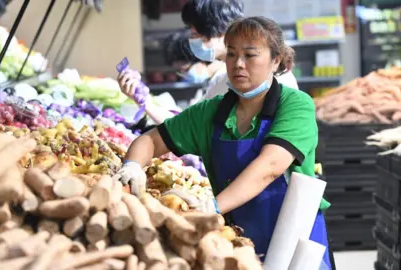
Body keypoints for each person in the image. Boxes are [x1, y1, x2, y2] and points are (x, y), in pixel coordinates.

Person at [114, 17, 333, 269]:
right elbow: (149, 141)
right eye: (231, 54)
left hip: (295, 241)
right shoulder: (211, 112)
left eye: (250, 55)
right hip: (238, 240)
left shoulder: (295, 105)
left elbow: (270, 166)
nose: (238, 64)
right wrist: (131, 166)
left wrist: (213, 205)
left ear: (276, 60)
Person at [118, 0, 299, 125]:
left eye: (196, 35)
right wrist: (143, 99)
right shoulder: (222, 79)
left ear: (222, 30)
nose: (192, 41)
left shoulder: (272, 79)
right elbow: (189, 126)